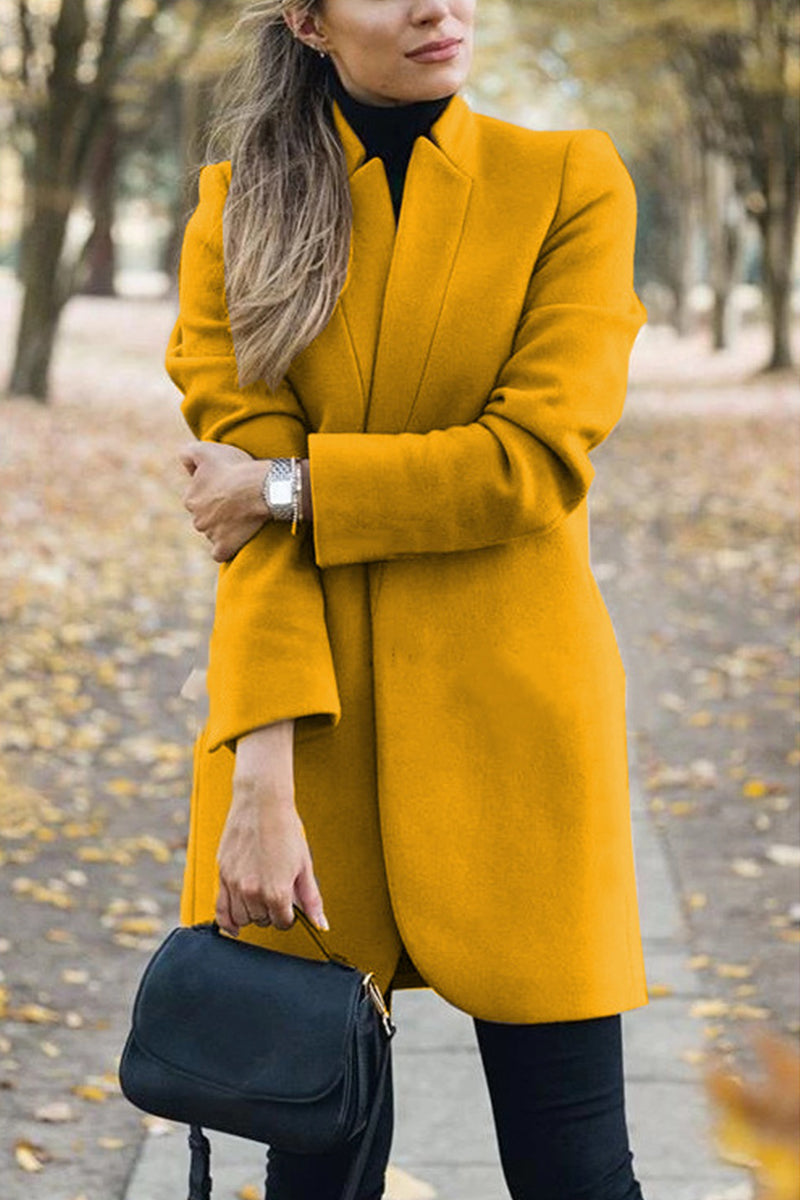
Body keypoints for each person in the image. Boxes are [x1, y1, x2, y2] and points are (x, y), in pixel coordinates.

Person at [166, 0, 651, 1196]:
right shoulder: (236, 210)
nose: (439, 7)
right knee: (314, 1170)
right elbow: (244, 534)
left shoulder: (567, 182)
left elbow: (528, 463)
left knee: (578, 1172)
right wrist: (259, 780)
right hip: (309, 749)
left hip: (518, 739)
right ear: (309, 20)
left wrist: (288, 484)